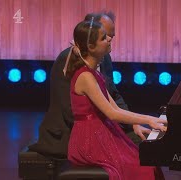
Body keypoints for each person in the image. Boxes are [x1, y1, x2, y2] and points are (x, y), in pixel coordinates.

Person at [29, 11, 148, 158]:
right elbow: (70, 109)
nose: (110, 39)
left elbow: (113, 96)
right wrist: (109, 132)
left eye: (111, 35)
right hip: (71, 132)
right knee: (135, 152)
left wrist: (134, 124)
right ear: (89, 39)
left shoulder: (104, 57)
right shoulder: (69, 61)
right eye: (104, 35)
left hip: (102, 126)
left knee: (143, 141)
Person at [66, 19, 166, 179]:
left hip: (102, 132)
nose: (109, 39)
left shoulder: (94, 73)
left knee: (148, 161)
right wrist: (150, 119)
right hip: (89, 139)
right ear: (91, 47)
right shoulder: (85, 76)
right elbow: (111, 113)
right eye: (104, 37)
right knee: (140, 166)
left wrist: (139, 122)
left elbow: (116, 109)